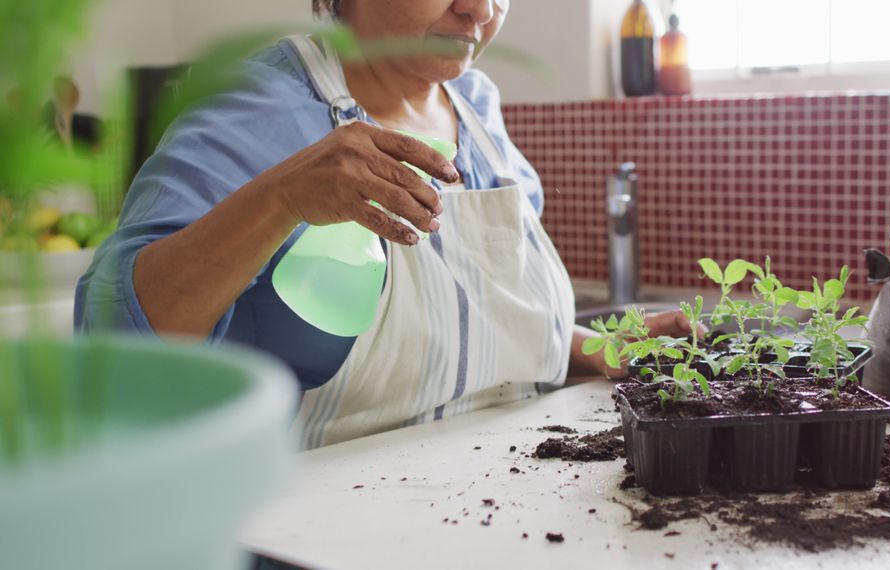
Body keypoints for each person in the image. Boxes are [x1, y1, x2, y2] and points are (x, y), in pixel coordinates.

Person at [75, 0, 695, 448]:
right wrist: (282, 198)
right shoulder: (257, 103)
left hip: (490, 505)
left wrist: (601, 348)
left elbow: (475, 331)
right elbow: (114, 342)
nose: (479, 10)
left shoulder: (475, 107)